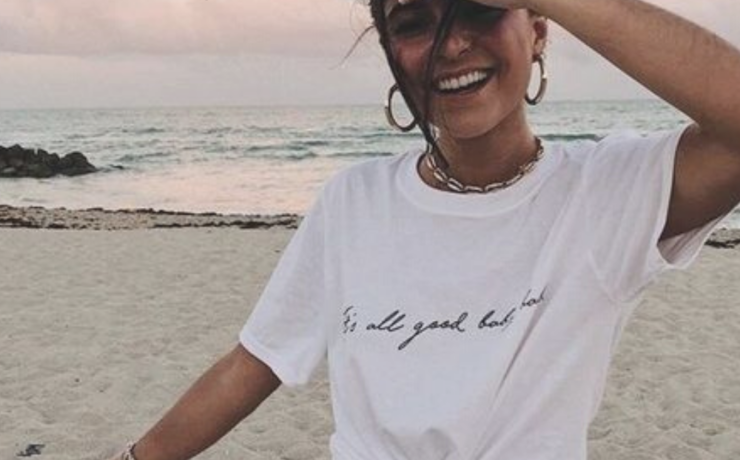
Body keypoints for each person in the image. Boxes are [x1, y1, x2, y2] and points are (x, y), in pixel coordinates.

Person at [110, 0, 740, 458]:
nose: (453, 43)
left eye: (480, 9)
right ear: (392, 55)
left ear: (540, 29)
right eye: (414, 23)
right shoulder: (353, 200)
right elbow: (257, 360)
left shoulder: (606, 193)